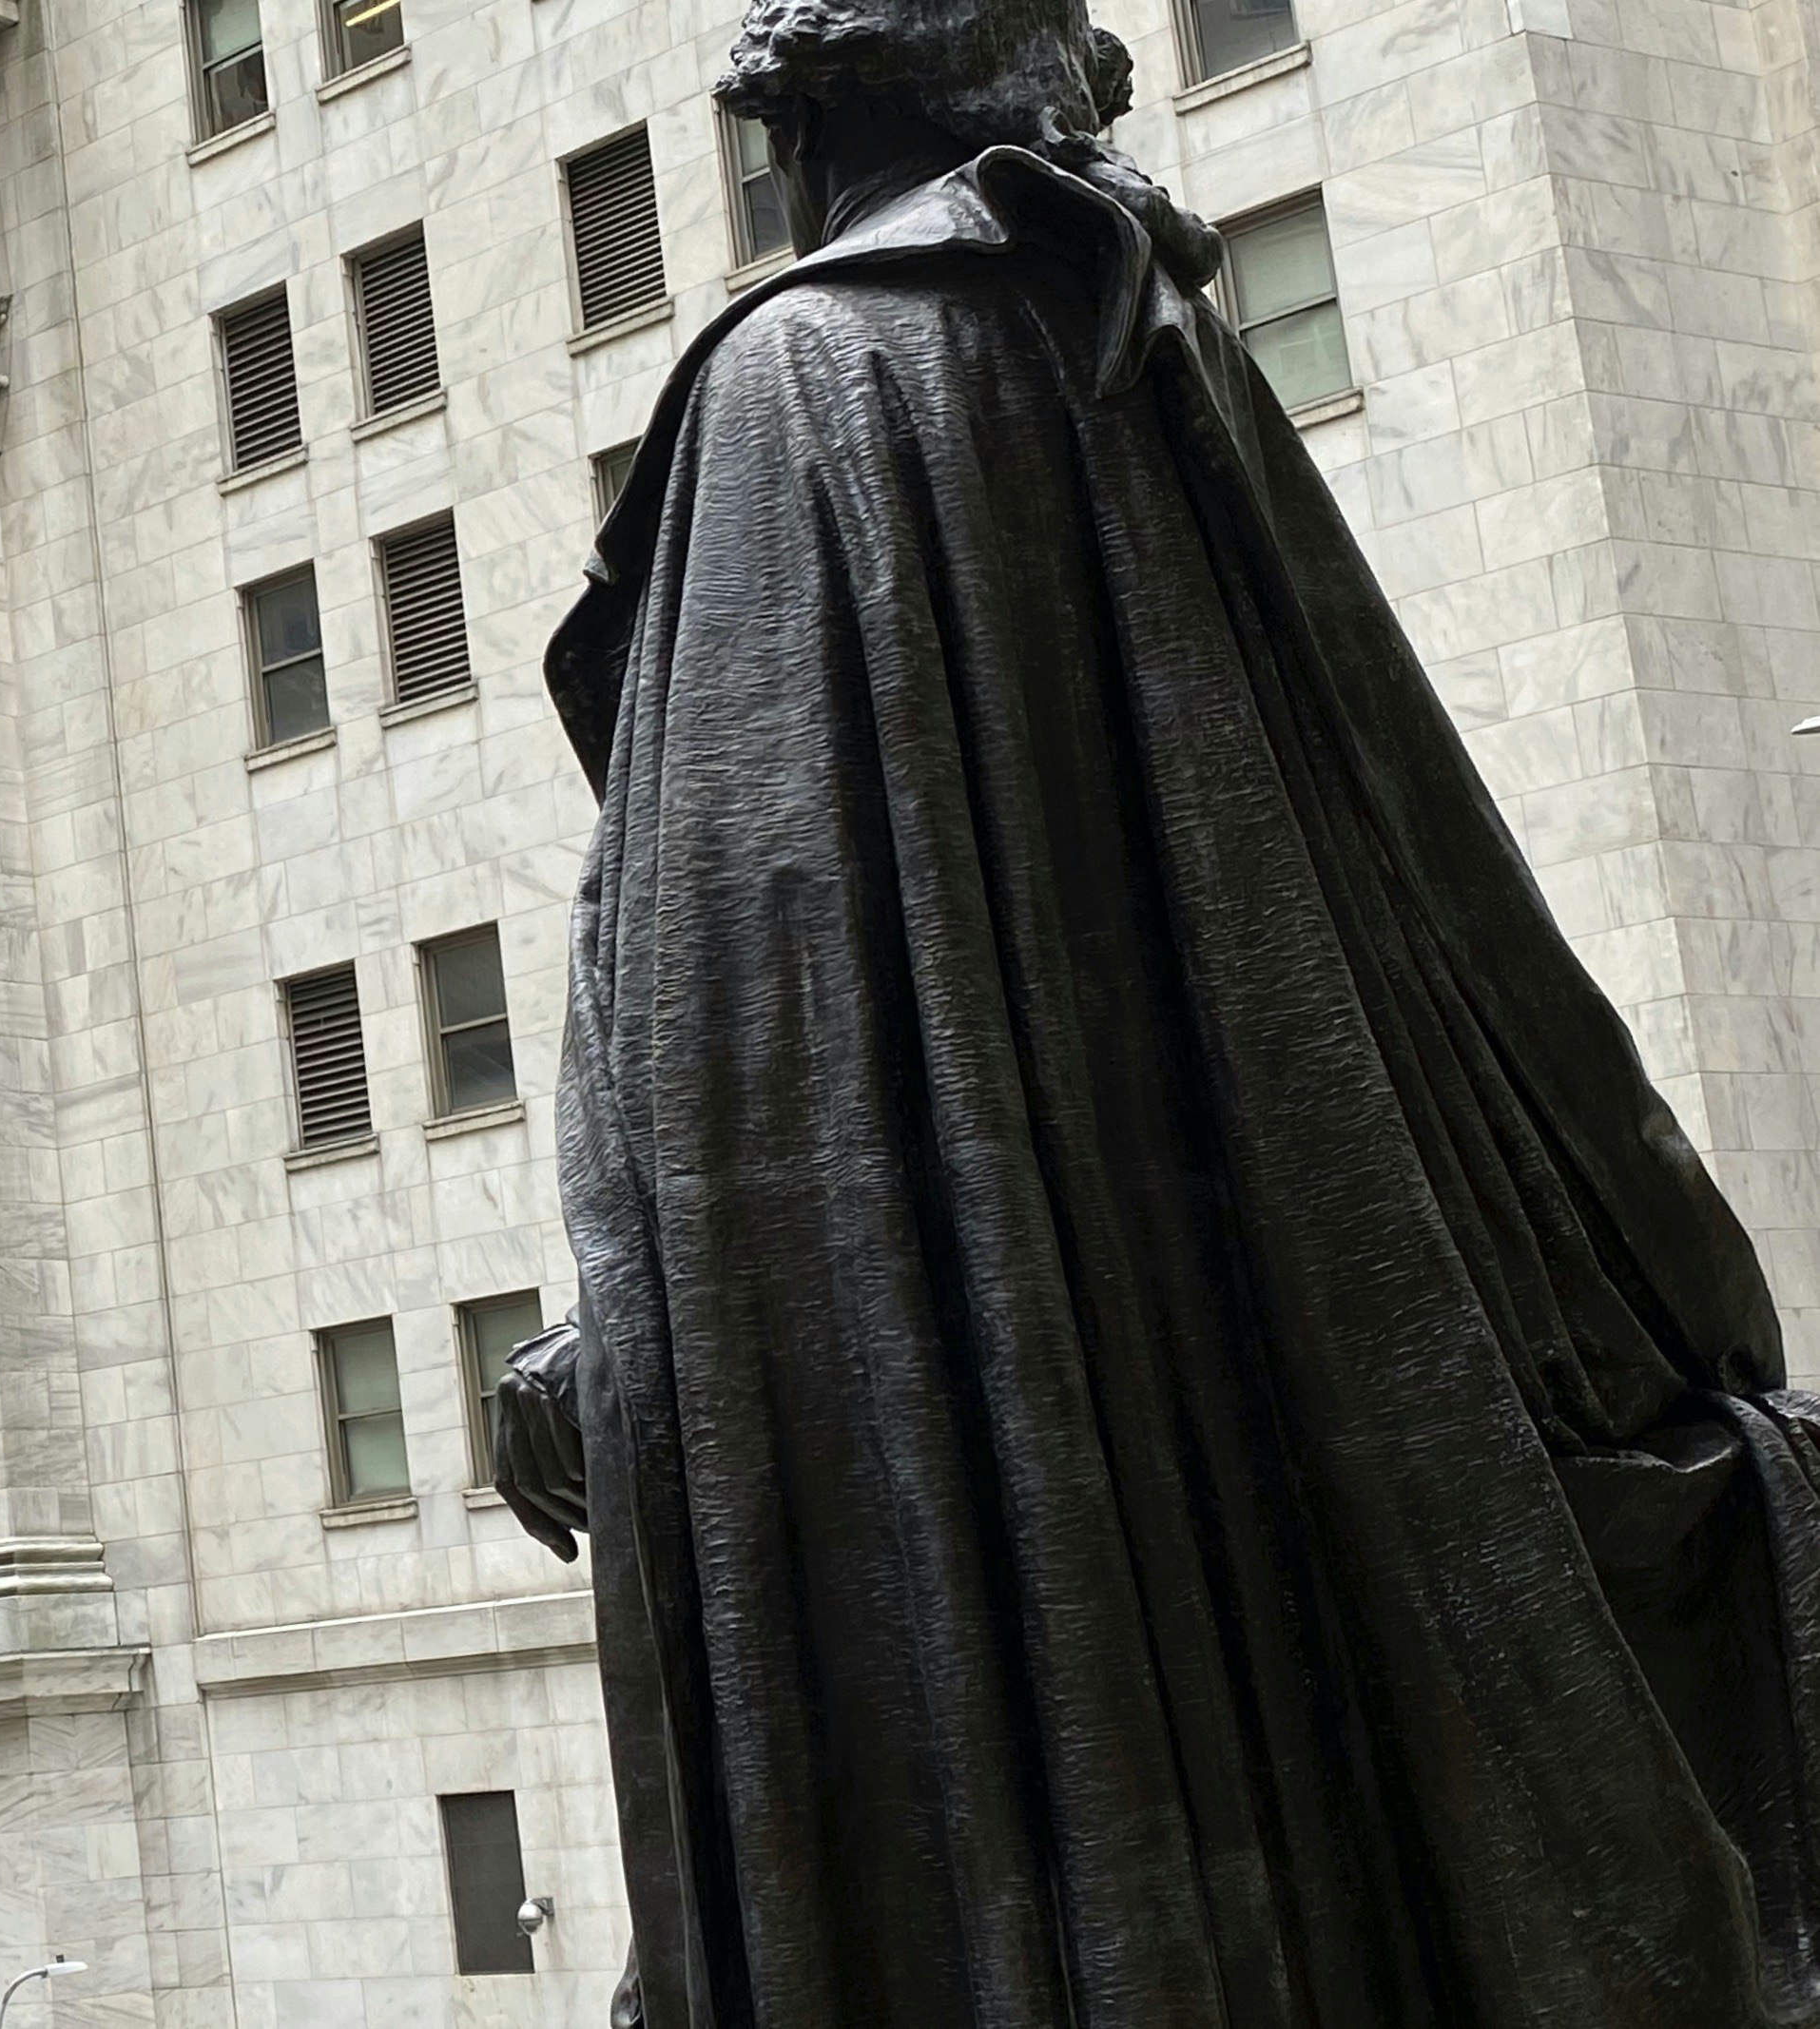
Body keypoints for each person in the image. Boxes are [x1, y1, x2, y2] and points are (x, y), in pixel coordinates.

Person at [506, 0, 1820, 2022]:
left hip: (1008, 1506)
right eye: (1067, 39)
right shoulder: (1112, 336)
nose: (1108, 74)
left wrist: (641, 1323)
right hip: (1216, 1441)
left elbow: (740, 1032)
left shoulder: (815, 379)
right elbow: (1426, 880)